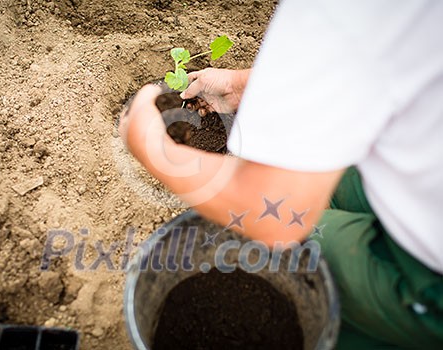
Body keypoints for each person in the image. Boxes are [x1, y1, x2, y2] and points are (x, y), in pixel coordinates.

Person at [119, 0, 443, 348]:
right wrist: (245, 86)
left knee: (282, 258)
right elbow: (374, 62)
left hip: (431, 276)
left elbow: (274, 217)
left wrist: (153, 148)